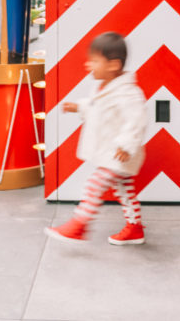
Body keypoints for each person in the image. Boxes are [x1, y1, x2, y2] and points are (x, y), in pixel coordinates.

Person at [45, 32, 147, 245]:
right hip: (115, 154)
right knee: (124, 190)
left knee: (93, 185)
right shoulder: (104, 88)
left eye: (94, 61)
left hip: (120, 153)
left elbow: (137, 119)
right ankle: (135, 228)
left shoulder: (127, 92)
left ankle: (79, 225)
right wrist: (79, 107)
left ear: (113, 65)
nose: (88, 65)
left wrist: (126, 145)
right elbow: (96, 107)